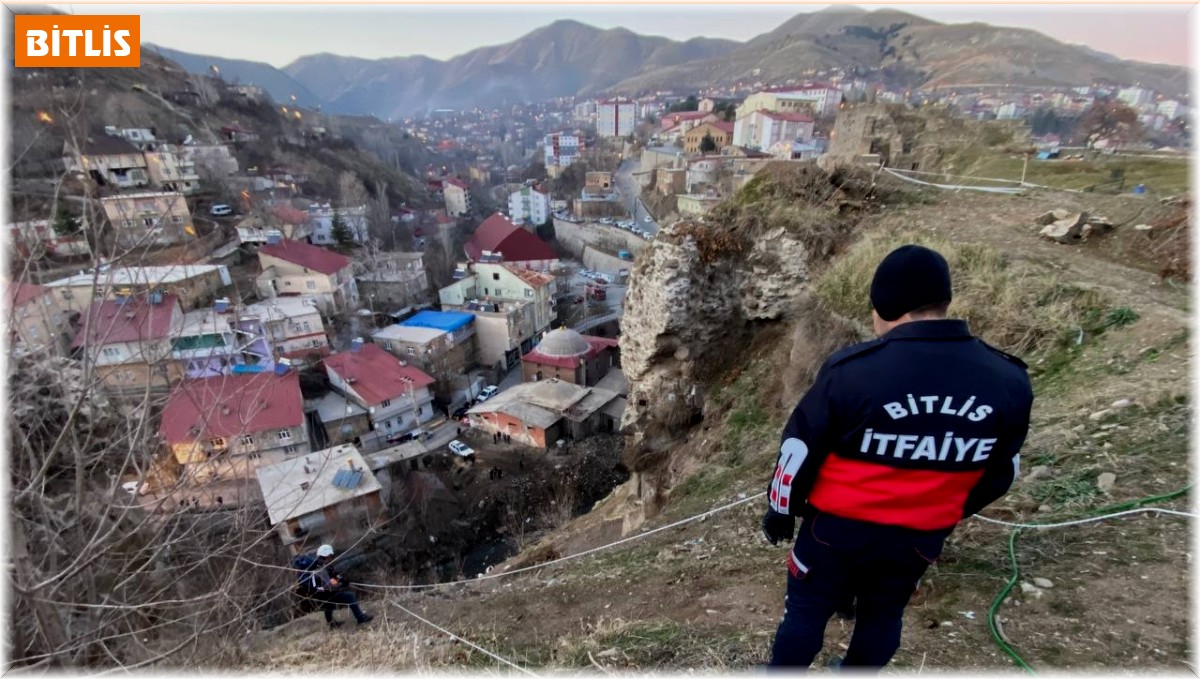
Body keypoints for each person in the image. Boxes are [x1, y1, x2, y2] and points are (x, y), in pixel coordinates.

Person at [763, 245, 1034, 670]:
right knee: (883, 614)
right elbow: (1003, 470)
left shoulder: (853, 371)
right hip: (918, 536)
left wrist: (781, 508)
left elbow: (797, 451)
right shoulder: (1008, 379)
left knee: (806, 611)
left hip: (835, 530)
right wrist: (948, 509)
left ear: (887, 304)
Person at [297, 544, 374, 628]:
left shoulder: (324, 565)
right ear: (326, 555)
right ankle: (360, 618)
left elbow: (334, 575)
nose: (331, 558)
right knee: (349, 596)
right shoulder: (317, 569)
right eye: (330, 555)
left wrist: (342, 580)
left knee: (329, 604)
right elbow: (321, 587)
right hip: (320, 593)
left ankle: (331, 624)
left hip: (324, 593)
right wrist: (339, 586)